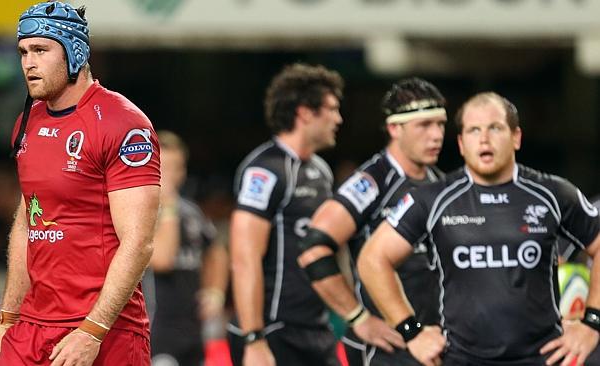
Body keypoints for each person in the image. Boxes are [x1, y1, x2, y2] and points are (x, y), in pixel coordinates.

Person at [357, 92, 600, 366]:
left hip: (543, 358)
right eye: (473, 131)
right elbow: (372, 259)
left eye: (495, 128)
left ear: (516, 137)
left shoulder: (553, 193)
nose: (484, 139)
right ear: (461, 143)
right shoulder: (432, 198)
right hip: (461, 359)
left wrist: (592, 323)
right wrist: (411, 332)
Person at [0, 2, 161, 365]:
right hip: (32, 327)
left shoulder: (123, 123)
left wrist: (92, 330)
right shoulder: (27, 121)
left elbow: (139, 242)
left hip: (105, 331)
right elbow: (27, 221)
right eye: (23, 51)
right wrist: (9, 316)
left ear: (75, 52)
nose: (28, 63)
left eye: (40, 50)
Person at [297, 77, 447, 366]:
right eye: (424, 125)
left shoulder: (438, 184)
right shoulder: (373, 182)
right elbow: (313, 248)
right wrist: (358, 318)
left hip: (430, 341)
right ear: (394, 128)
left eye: (440, 124)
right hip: (387, 347)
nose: (436, 135)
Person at [227, 63, 344, 366]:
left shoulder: (321, 171)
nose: (338, 119)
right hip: (273, 331)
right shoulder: (264, 170)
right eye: (331, 109)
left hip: (315, 329)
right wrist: (253, 338)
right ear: (305, 113)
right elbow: (244, 257)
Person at [147, 130, 229, 366]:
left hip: (193, 330)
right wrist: (169, 207)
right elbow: (163, 259)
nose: (172, 175)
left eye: (178, 167)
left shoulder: (191, 212)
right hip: (157, 331)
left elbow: (216, 251)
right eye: (165, 167)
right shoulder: (142, 212)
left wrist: (216, 292)